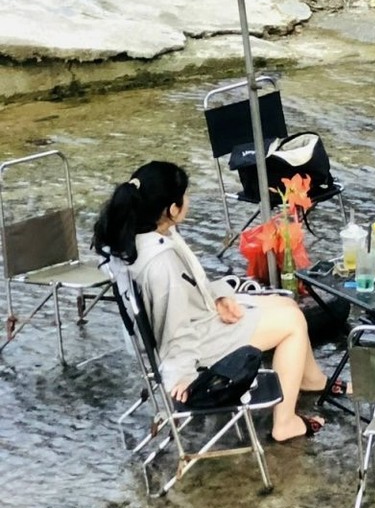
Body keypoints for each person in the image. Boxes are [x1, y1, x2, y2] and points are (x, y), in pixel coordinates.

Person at [94, 161, 328, 443]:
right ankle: (285, 423)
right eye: (185, 196)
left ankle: (311, 380)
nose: (188, 201)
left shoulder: (136, 236)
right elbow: (174, 327)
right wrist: (182, 376)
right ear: (171, 209)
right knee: (292, 322)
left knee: (286, 305)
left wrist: (217, 297)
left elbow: (189, 286)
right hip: (193, 343)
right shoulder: (160, 263)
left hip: (196, 317)